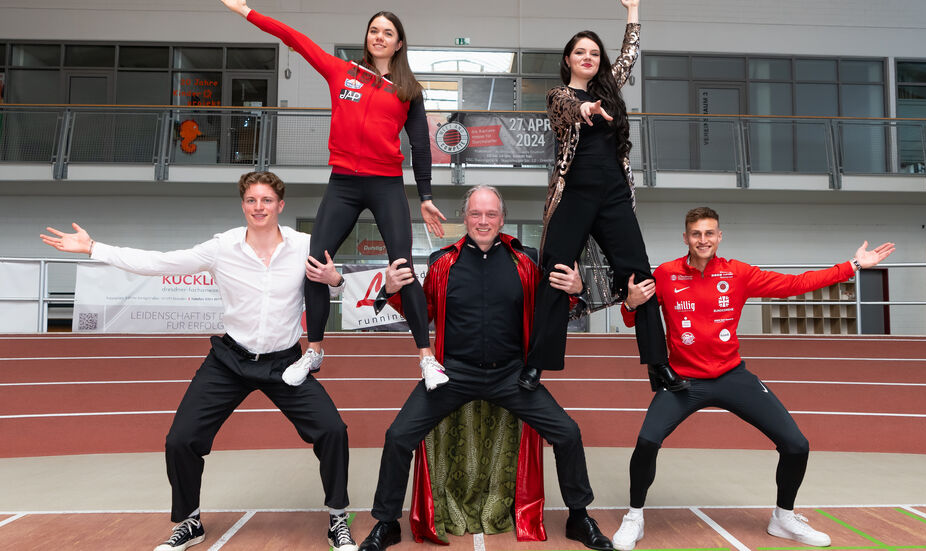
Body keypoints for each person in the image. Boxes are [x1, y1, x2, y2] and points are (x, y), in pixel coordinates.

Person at [40, 172, 357, 551]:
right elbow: (159, 263)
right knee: (181, 440)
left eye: (267, 200)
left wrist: (336, 279)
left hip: (284, 363)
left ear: (280, 205)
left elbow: (341, 285)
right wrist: (95, 248)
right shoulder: (221, 248)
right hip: (230, 360)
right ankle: (189, 522)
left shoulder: (305, 244)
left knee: (333, 430)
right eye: (252, 200)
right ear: (243, 205)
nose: (259, 207)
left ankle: (338, 517)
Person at [610, 207, 896, 551]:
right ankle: (635, 517)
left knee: (796, 445)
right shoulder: (667, 275)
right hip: (683, 382)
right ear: (685, 238)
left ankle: (783, 518)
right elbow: (632, 320)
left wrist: (851, 266)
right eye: (697, 234)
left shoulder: (738, 273)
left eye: (710, 233)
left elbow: (795, 285)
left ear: (719, 237)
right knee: (646, 443)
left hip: (732, 376)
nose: (704, 240)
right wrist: (629, 303)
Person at [359, 185, 615, 551]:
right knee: (398, 436)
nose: (483, 221)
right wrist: (393, 289)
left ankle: (579, 517)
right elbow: (424, 312)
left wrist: (576, 288)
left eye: (491, 214)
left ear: (502, 219)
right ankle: (387, 523)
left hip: (510, 376)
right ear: (465, 218)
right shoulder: (441, 262)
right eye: (476, 214)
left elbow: (555, 308)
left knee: (568, 433)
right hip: (452, 375)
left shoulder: (525, 260)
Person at [219, 0, 449, 390]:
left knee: (403, 267)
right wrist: (247, 12)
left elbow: (421, 146)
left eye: (387, 33)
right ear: (367, 38)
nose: (379, 36)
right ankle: (314, 350)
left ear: (398, 44)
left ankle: (427, 359)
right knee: (314, 263)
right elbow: (294, 39)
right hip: (343, 182)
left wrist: (425, 195)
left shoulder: (408, 90)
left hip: (386, 183)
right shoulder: (341, 71)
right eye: (374, 30)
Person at [520, 0, 685, 394]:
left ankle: (658, 366)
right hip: (573, 194)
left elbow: (631, 51)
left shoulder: (609, 87)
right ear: (568, 59)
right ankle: (535, 366)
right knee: (557, 274)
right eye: (580, 52)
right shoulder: (558, 96)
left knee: (641, 275)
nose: (588, 57)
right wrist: (587, 107)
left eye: (594, 53)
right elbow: (571, 109)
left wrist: (633, 11)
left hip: (613, 193)